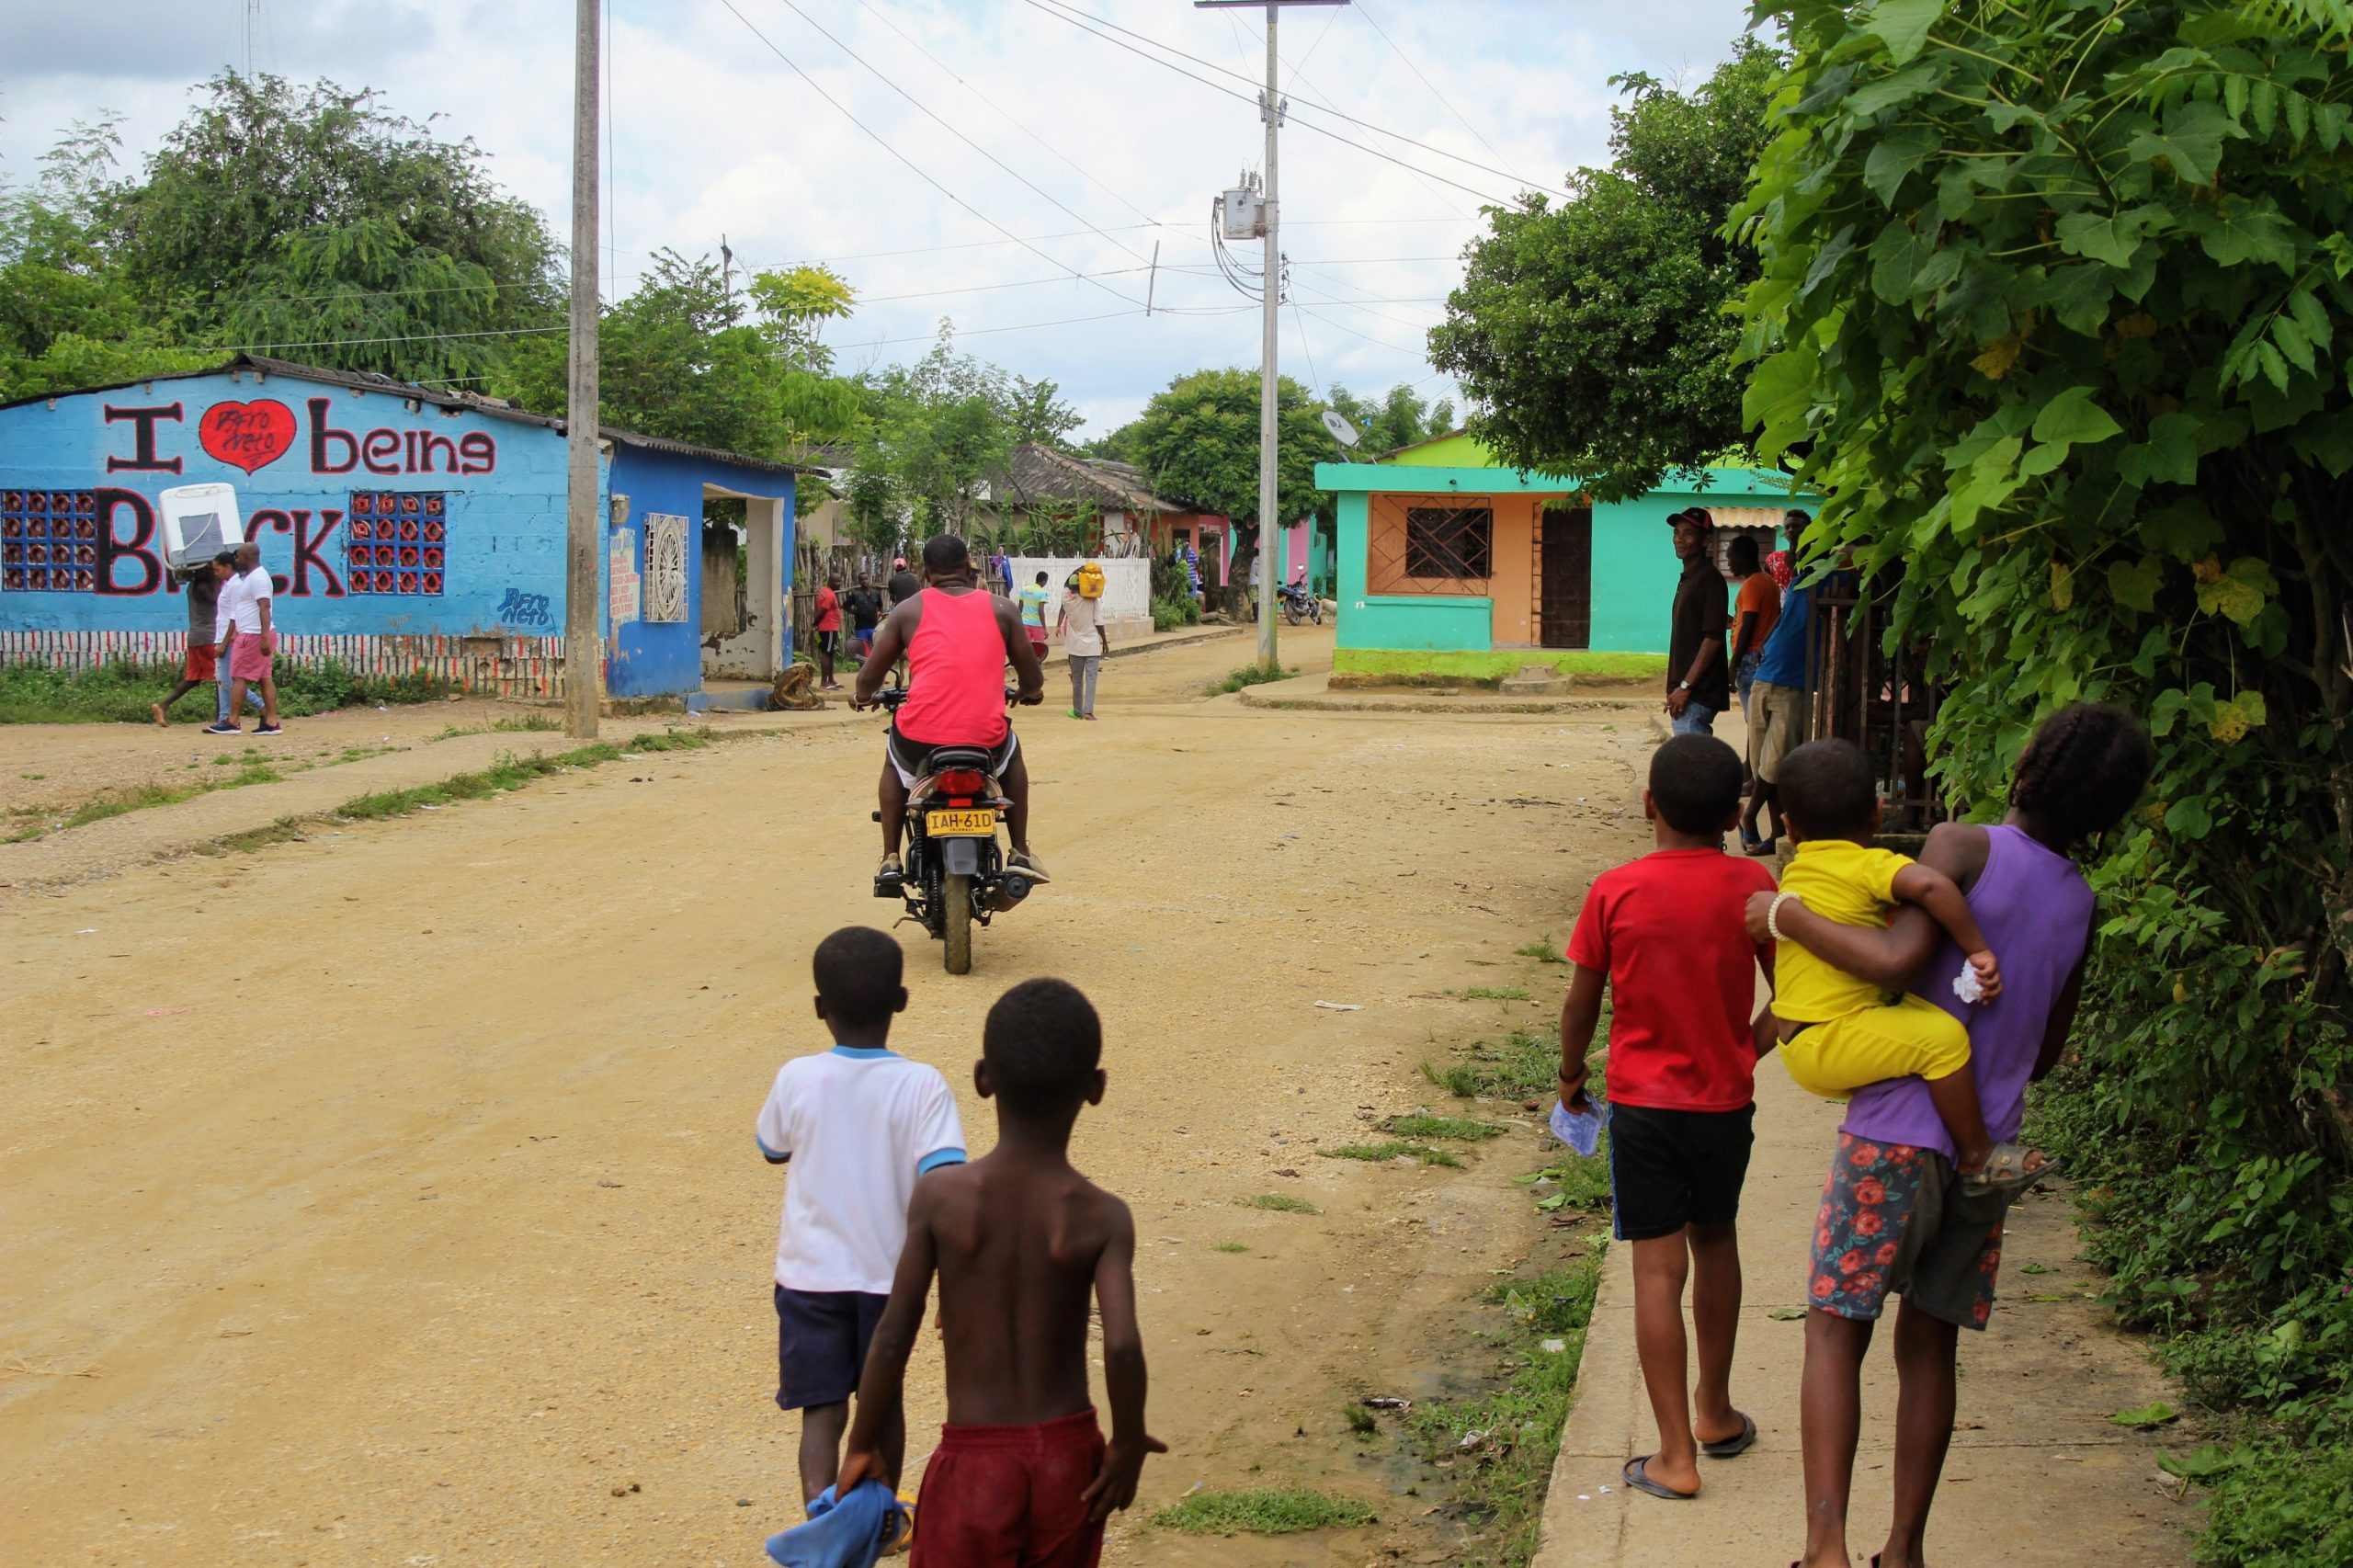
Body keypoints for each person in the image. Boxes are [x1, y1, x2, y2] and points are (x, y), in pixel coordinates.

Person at [1749, 705, 2154, 1568]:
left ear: (2029, 763)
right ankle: (1903, 1552)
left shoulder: (1961, 848)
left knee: (1834, 1328)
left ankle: (1825, 1550)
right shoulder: (2081, 901)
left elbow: (1895, 959)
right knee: (1927, 1342)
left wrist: (1782, 918)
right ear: (2108, 812)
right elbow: (2042, 1057)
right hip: (1990, 1145)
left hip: (1892, 1136)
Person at [838, 978, 1164, 1565]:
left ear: (983, 1080)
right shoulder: (1103, 1217)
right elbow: (1121, 1346)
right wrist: (1129, 1440)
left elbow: (894, 1334)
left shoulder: (941, 1199)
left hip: (975, 1462)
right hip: (1069, 1457)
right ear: (1095, 1089)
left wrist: (862, 1441)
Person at [1556, 733, 1779, 1502]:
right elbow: (1801, 997)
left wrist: (1569, 1076)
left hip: (1646, 1108)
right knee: (1717, 1243)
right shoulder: (1754, 885)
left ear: (1649, 805)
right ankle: (1715, 1414)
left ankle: (1673, 1456)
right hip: (1725, 1102)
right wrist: (1745, 1049)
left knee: (1656, 1269)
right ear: (1734, 812)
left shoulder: (1615, 891)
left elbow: (1582, 1001)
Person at [1763, 738, 2040, 1191]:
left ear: (1790, 829)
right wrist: (1978, 949)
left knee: (1932, 1019)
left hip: (1807, 1038)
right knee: (1944, 1039)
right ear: (1878, 811)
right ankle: (1977, 1154)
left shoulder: (1798, 872)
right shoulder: (1867, 865)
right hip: (1831, 1038)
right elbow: (1930, 886)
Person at [756, 926, 967, 1519]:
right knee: (885, 1406)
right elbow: (945, 1177)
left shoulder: (797, 1076)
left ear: (819, 1008)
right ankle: (873, 1527)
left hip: (807, 1278)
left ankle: (821, 1524)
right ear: (901, 1001)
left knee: (821, 1410)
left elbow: (771, 1147)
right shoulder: (922, 1084)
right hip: (889, 1281)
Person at [855, 535, 1048, 895]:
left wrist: (862, 695)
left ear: (925, 572)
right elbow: (1032, 677)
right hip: (985, 740)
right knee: (1013, 754)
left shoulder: (908, 610)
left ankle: (890, 856)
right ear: (969, 567)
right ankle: (1019, 849)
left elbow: (869, 677)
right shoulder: (1003, 608)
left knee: (893, 764)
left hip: (919, 739)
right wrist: (1029, 692)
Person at [1741, 510, 1814, 851]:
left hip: (1793, 683)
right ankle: (1777, 834)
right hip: (1765, 675)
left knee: (1774, 764)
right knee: (1761, 765)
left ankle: (1748, 815)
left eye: (1797, 528)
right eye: (1788, 529)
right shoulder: (1798, 578)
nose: (1791, 534)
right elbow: (1785, 619)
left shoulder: (1827, 577)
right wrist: (1766, 644)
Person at [151, 554, 256, 727]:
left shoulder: (195, 585)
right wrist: (219, 580)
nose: (215, 572)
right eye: (211, 569)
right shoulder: (203, 588)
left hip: (196, 637)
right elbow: (219, 603)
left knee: (193, 679)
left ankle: (163, 705)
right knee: (223, 678)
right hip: (208, 637)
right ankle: (225, 717)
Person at [1726, 534, 1778, 828]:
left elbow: (1749, 627)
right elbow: (1748, 621)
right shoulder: (1767, 582)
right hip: (1760, 653)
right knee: (1753, 722)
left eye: (1731, 556)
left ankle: (1756, 777)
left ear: (1744, 555)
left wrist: (1733, 665)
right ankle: (1750, 775)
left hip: (1750, 657)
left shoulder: (1753, 584)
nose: (1728, 561)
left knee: (1755, 723)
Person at [1665, 510, 1730, 737]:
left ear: (1705, 540)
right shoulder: (1689, 578)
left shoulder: (1709, 580)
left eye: (1688, 534)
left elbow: (1713, 639)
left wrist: (1685, 687)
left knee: (1693, 768)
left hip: (1697, 694)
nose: (1680, 539)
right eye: (1677, 532)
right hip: (1685, 692)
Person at [206, 540, 281, 735]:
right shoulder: (252, 577)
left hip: (254, 635)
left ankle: (232, 721)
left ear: (247, 557)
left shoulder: (258, 579)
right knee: (265, 678)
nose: (236, 560)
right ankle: (271, 722)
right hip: (253, 633)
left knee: (238, 677)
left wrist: (264, 636)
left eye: (238, 556)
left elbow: (264, 607)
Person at [1057, 569, 1108, 722]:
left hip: (1074, 647)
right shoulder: (1092, 600)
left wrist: (1078, 571)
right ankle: (1088, 712)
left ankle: (1078, 711)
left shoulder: (1066, 599)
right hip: (1092, 645)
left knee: (1077, 679)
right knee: (1091, 679)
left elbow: (1066, 585)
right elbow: (1098, 622)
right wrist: (1104, 641)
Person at [843, 574, 885, 665]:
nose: (864, 581)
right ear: (859, 581)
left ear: (869, 579)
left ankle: (874, 673)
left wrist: (880, 616)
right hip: (861, 627)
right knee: (863, 651)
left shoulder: (876, 593)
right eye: (862, 579)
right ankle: (863, 674)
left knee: (874, 650)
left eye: (866, 579)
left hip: (874, 627)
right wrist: (855, 612)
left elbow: (881, 607)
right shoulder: (856, 594)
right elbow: (845, 606)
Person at [813, 576, 845, 692]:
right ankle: (824, 682)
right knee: (827, 653)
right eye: (837, 581)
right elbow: (822, 611)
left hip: (830, 627)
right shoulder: (830, 595)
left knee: (831, 652)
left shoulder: (824, 591)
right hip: (829, 627)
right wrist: (814, 623)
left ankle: (831, 680)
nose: (839, 584)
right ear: (830, 581)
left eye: (840, 581)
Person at [1017, 570, 1052, 664]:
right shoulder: (1042, 593)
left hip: (1024, 623)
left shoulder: (1024, 590)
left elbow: (1019, 608)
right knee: (1039, 651)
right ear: (1044, 581)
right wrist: (1044, 628)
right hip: (1037, 624)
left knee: (1025, 649)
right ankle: (1038, 672)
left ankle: (1026, 671)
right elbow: (1041, 611)